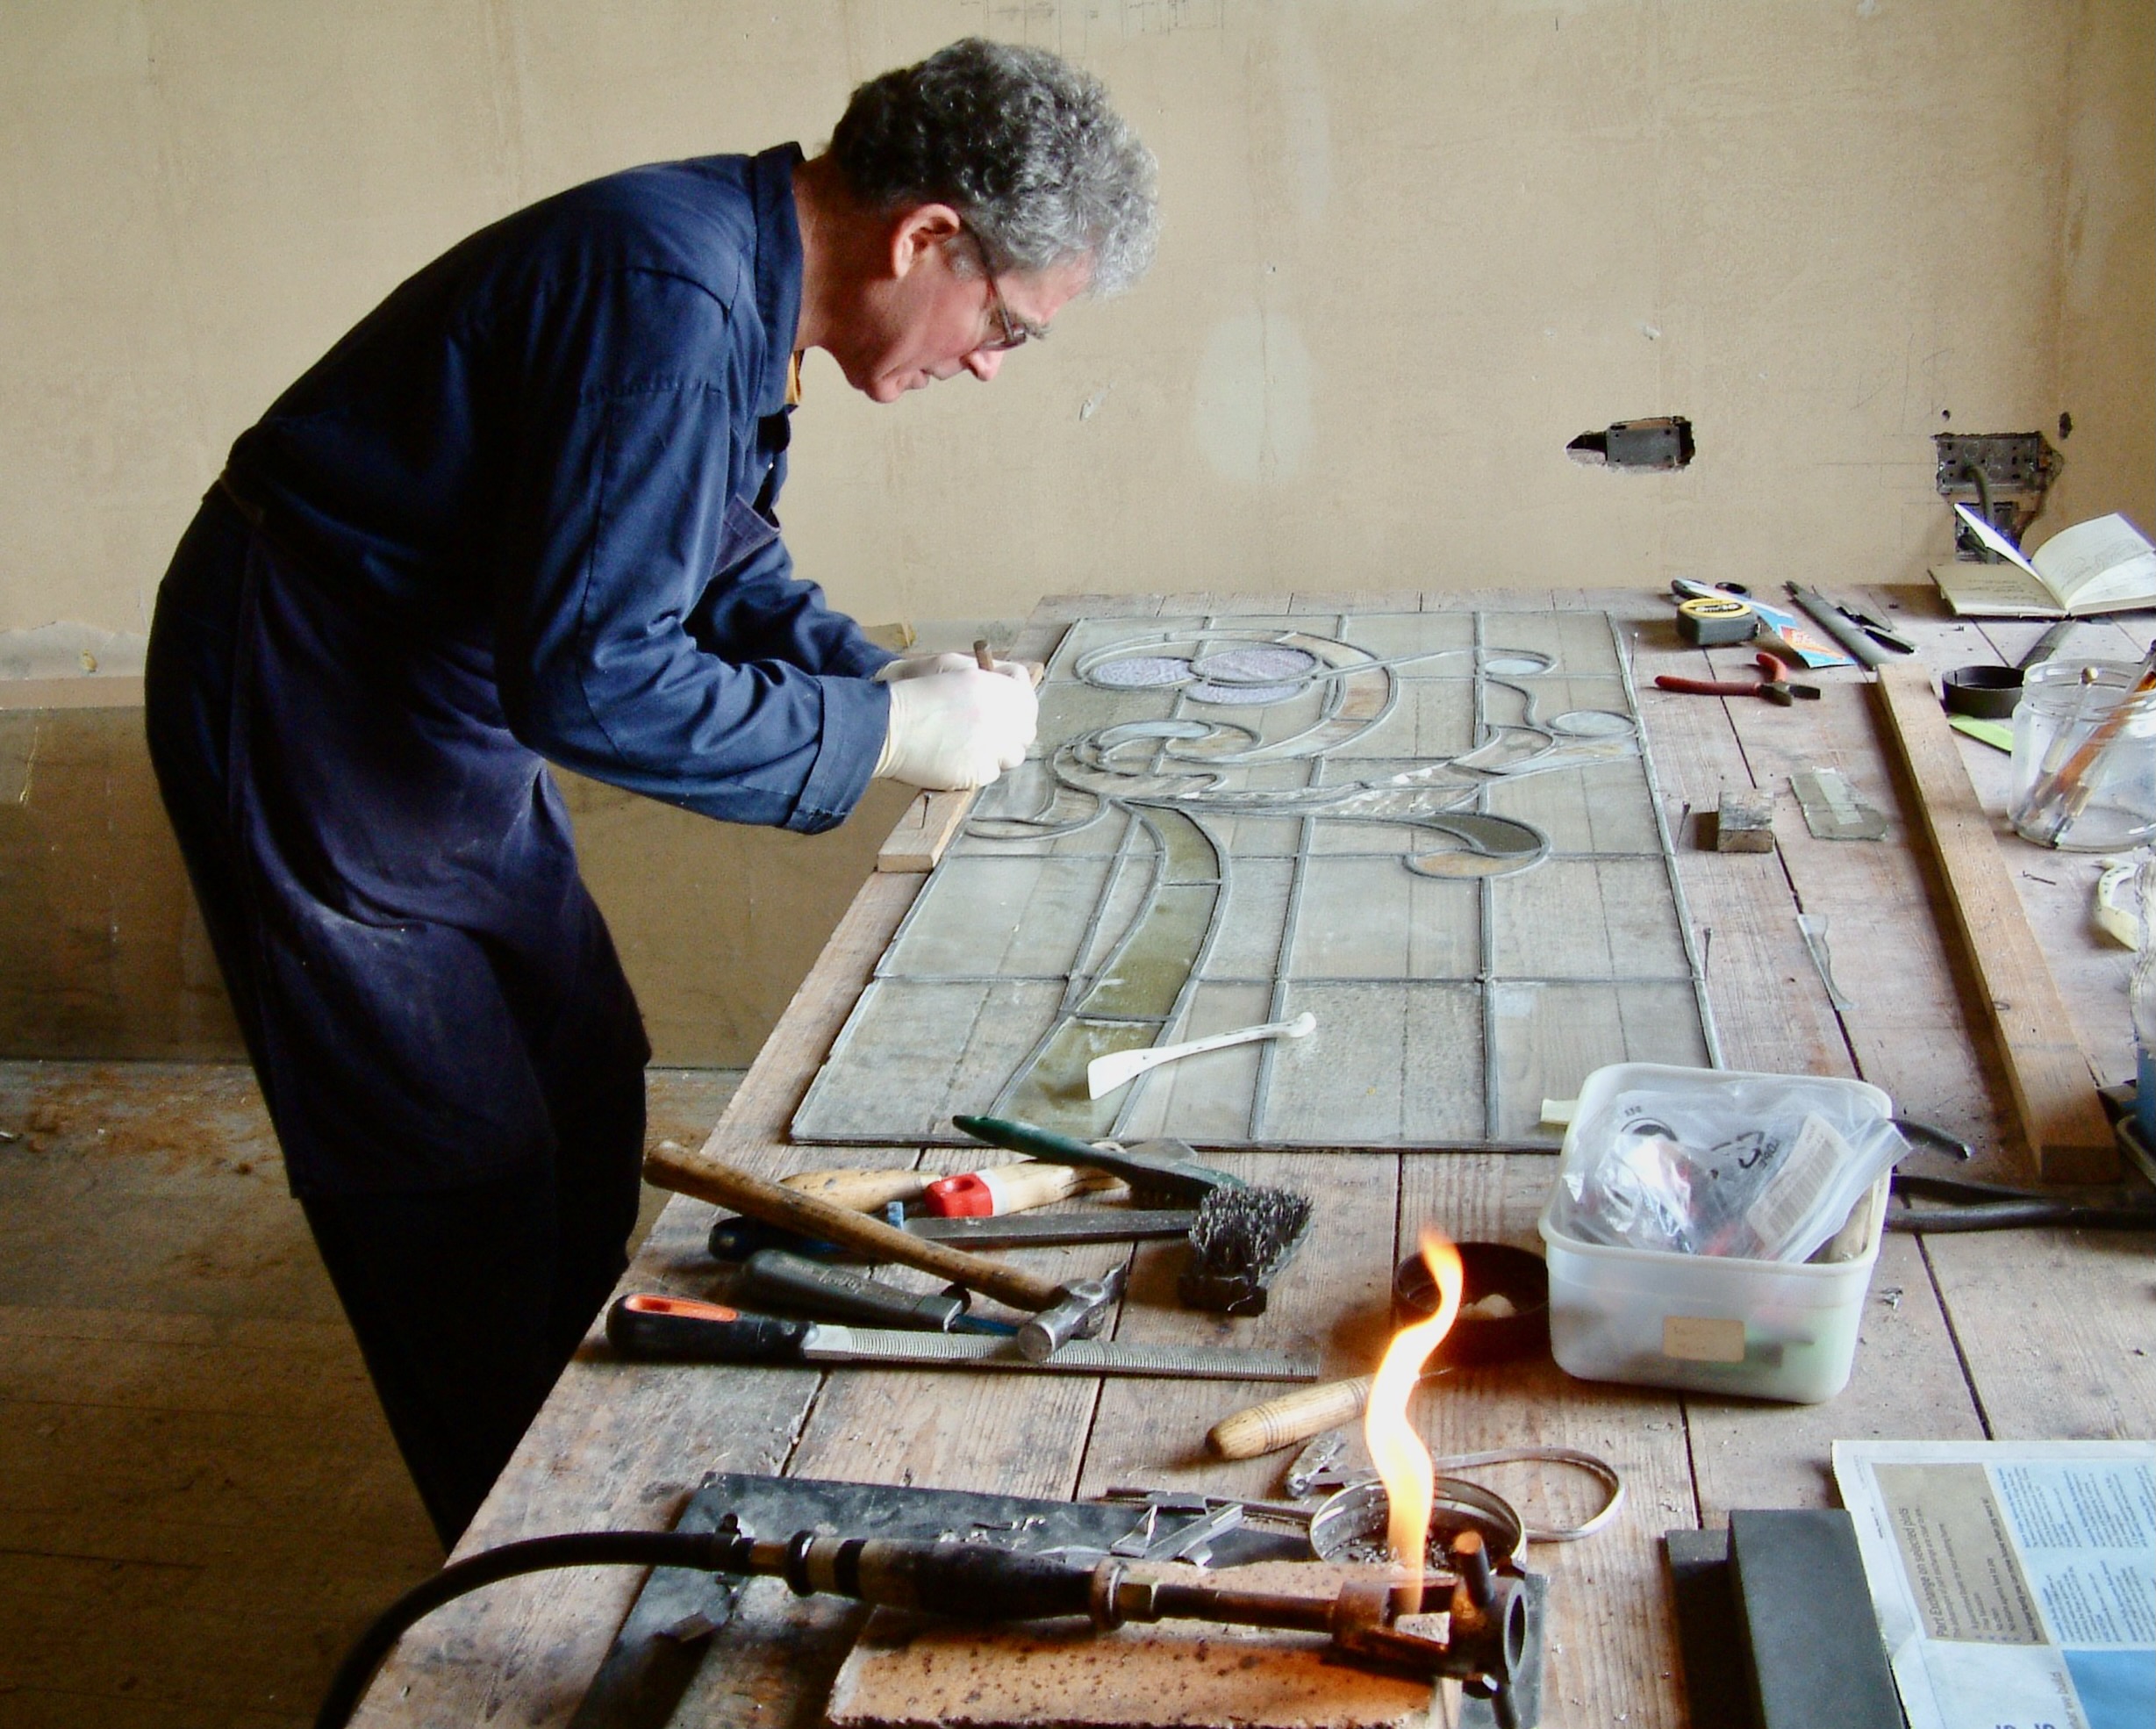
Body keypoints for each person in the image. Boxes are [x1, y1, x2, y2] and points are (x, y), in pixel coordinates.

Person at [142, 38, 1157, 1546]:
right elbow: (599, 681)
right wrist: (878, 740)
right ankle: (524, 1552)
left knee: (581, 1067)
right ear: (926, 236)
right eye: (1005, 322)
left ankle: (569, 1426)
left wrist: (873, 680)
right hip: (310, 693)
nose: (993, 363)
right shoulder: (669, 295)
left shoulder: (728, 267)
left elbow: (705, 548)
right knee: (448, 1163)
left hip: (436, 689)